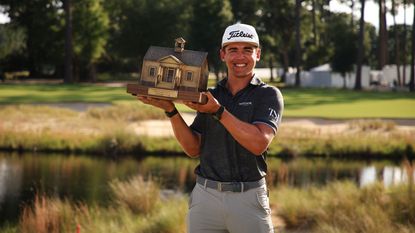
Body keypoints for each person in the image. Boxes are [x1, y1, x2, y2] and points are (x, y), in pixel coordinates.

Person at [138, 23, 283, 233]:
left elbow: (258, 143)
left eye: (247, 50)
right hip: (205, 198)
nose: (240, 57)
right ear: (223, 54)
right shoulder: (212, 94)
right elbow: (193, 148)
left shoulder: (268, 95)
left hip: (248, 198)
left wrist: (217, 111)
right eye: (233, 50)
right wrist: (171, 110)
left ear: (258, 54)